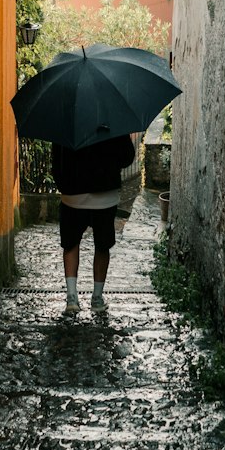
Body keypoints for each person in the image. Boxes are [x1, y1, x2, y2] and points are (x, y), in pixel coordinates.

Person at [51, 133, 136, 314]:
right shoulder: (111, 119)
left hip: (73, 194)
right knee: (102, 246)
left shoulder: (67, 118)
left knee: (71, 244)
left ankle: (72, 298)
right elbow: (127, 157)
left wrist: (64, 184)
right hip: (105, 194)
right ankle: (97, 299)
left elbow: (56, 161)